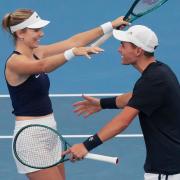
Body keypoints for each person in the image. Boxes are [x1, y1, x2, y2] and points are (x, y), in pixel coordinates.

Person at [2, 8, 128, 180]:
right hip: (31, 138)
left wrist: (110, 25)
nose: (42, 34)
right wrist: (72, 53)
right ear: (20, 33)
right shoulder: (15, 62)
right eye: (36, 30)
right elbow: (43, 66)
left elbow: (74, 40)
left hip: (50, 131)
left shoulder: (37, 52)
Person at [63, 25, 180, 180]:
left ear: (138, 51)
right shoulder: (160, 71)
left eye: (123, 45)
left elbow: (122, 122)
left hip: (166, 171)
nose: (119, 50)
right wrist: (102, 104)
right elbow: (133, 97)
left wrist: (86, 145)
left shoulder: (152, 80)